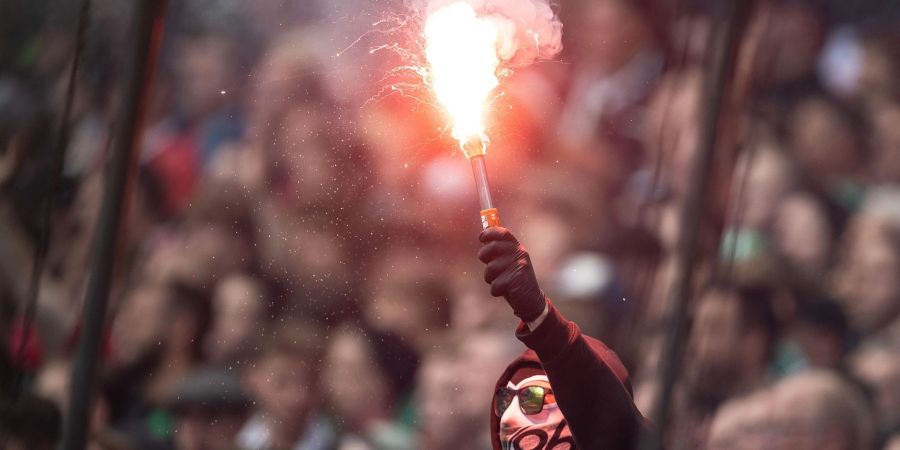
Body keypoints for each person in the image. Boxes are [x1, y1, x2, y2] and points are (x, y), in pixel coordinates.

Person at [477, 227, 647, 450]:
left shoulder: (612, 423)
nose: (514, 412)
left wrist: (542, 320)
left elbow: (603, 409)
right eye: (505, 399)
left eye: (534, 395)